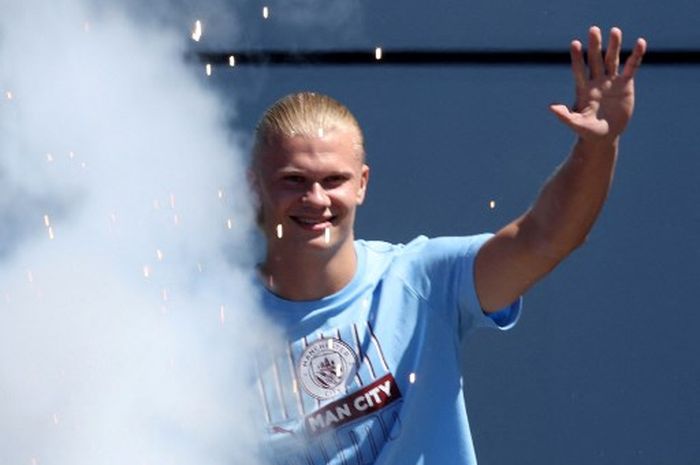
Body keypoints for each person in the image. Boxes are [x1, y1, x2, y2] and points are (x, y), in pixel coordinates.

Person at [248, 26, 647, 465]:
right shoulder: (213, 321)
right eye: (293, 181)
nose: (317, 199)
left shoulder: (423, 278)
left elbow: (548, 238)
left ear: (362, 184)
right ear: (255, 185)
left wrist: (599, 145)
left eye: (334, 180)